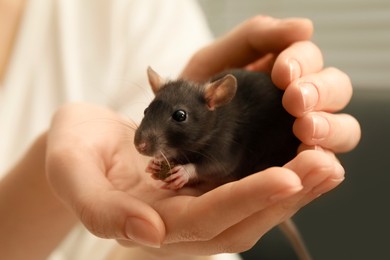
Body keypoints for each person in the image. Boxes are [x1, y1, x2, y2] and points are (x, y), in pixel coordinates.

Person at [0, 0, 361, 259]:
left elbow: (220, 161)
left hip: (258, 156)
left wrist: (187, 179)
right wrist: (47, 174)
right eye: (147, 113)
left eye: (178, 119)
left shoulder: (134, 11)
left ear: (214, 101)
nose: (144, 138)